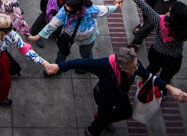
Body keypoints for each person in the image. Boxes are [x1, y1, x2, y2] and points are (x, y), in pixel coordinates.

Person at [51, 47, 187, 136]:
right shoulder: (104, 65)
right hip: (105, 96)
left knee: (126, 112)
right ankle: (91, 131)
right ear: (121, 67)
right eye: (132, 69)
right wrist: (58, 66)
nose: (136, 70)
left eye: (136, 66)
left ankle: (102, 118)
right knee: (102, 119)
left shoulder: (135, 63)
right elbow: (79, 63)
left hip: (121, 94)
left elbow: (148, 77)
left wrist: (170, 88)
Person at [121, 0, 187, 82]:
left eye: (171, 10)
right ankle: (161, 93)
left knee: (151, 70)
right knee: (166, 78)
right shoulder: (184, 29)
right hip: (174, 59)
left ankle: (146, 86)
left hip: (156, 52)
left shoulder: (159, 20)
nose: (169, 9)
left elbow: (145, 7)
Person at [28, 0, 119, 67]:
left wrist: (116, 6)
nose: (65, 11)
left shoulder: (91, 10)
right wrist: (38, 36)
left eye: (69, 11)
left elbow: (106, 10)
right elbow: (52, 25)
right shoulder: (63, 12)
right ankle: (58, 66)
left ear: (78, 11)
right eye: (65, 7)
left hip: (87, 39)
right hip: (68, 36)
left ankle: (85, 67)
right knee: (62, 52)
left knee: (86, 54)